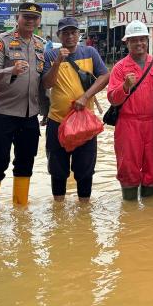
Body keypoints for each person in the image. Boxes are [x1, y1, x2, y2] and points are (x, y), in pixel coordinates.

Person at [0, 3, 46, 211]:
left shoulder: (40, 45)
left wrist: (46, 109)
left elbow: (43, 81)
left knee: (26, 163)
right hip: (3, 113)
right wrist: (12, 70)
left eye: (34, 18)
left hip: (30, 115)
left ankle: (21, 210)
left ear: (39, 21)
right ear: (17, 18)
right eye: (26, 16)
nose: (30, 21)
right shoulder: (2, 41)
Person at [42, 17, 109, 202]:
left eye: (73, 32)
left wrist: (86, 97)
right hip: (57, 121)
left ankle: (84, 213)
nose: (70, 36)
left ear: (79, 34)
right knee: (57, 170)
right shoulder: (49, 55)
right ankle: (59, 211)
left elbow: (105, 76)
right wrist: (57, 61)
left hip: (84, 122)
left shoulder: (90, 52)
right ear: (58, 36)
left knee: (86, 169)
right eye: (65, 33)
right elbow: (47, 83)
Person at [107, 21, 153, 200]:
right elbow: (111, 98)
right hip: (128, 124)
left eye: (142, 39)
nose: (139, 43)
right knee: (128, 167)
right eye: (134, 40)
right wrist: (124, 86)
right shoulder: (119, 68)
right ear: (127, 43)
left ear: (147, 41)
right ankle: (130, 214)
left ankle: (148, 215)